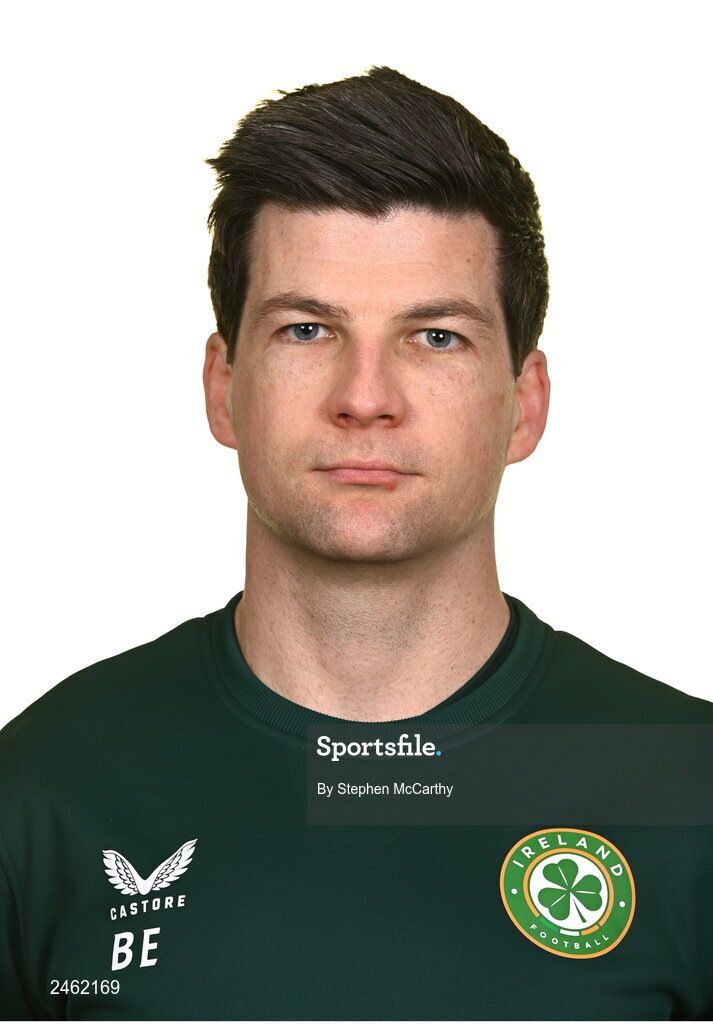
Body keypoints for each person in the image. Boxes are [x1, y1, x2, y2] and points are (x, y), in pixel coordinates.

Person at [1, 65, 712, 1022]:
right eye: (306, 329)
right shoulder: (49, 788)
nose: (365, 395)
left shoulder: (682, 786)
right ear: (223, 386)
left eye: (436, 338)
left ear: (524, 404)